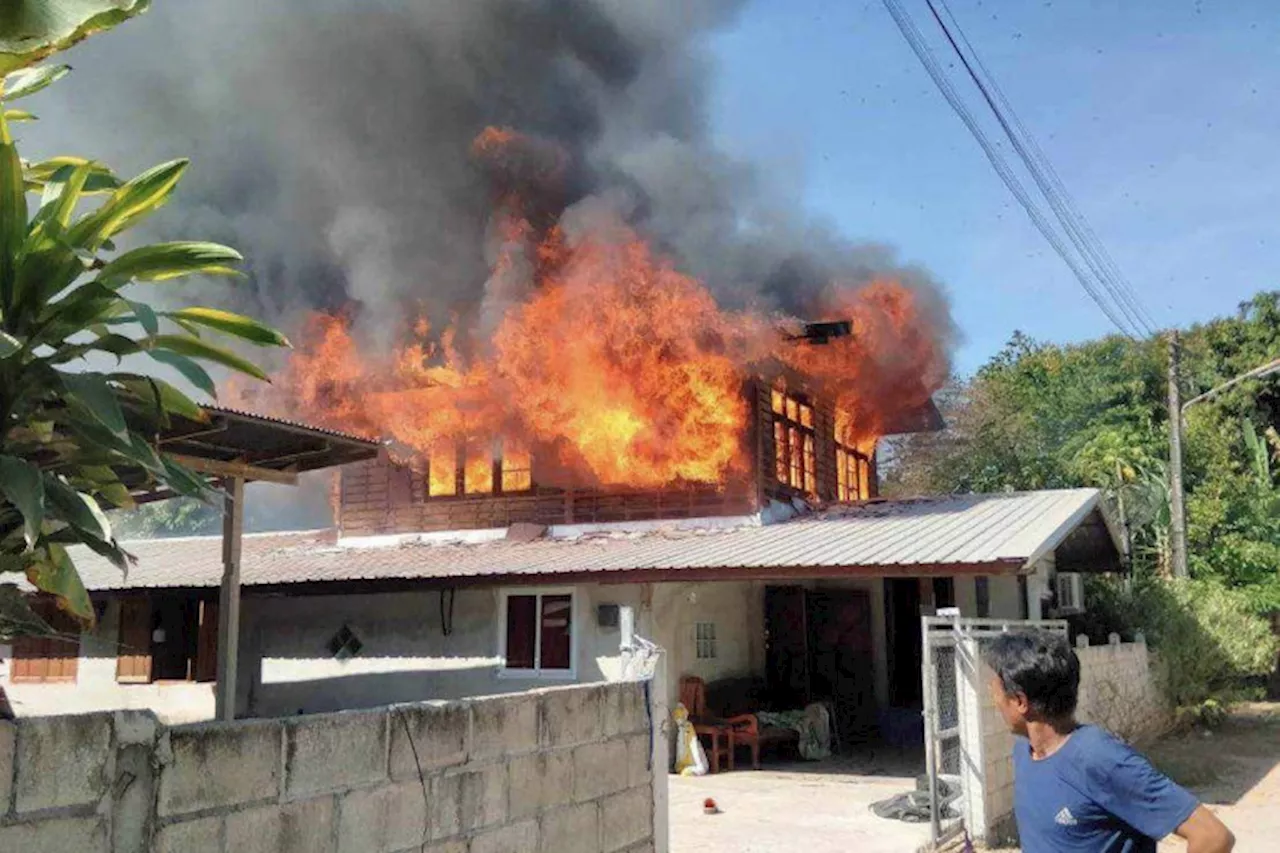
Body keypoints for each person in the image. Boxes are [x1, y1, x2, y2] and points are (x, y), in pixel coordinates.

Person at [984, 630, 1234, 853]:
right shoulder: (1024, 754)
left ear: (1020, 701)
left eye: (994, 691)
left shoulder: (1100, 759)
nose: (993, 700)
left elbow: (1213, 837)